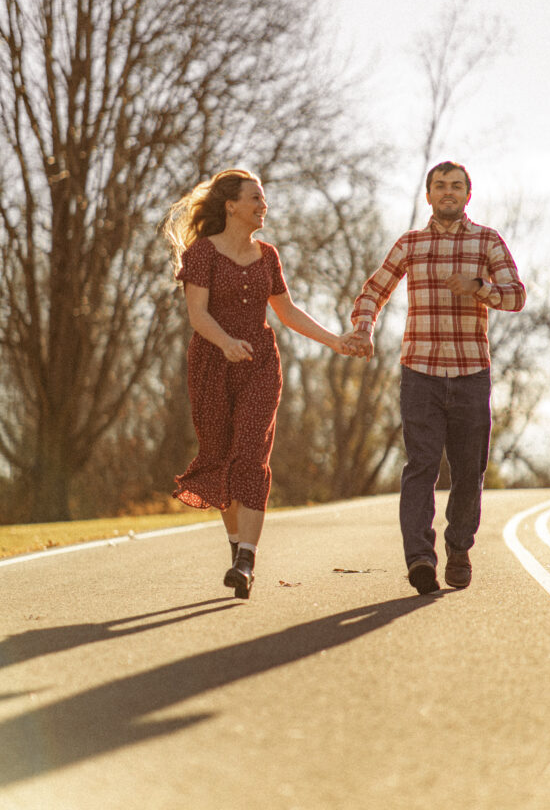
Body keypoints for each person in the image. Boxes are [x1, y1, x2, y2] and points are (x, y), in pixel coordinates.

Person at [163, 168, 352, 599]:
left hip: (260, 366)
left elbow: (287, 312)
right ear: (231, 205)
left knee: (251, 451)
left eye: (263, 199)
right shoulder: (202, 254)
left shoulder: (268, 256)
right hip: (212, 365)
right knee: (219, 457)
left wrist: (335, 341)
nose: (263, 206)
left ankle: (247, 558)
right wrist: (226, 342)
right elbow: (198, 315)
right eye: (256, 198)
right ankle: (237, 550)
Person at [344, 160, 525, 594]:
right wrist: (364, 327)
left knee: (468, 471)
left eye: (456, 186)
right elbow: (374, 290)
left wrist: (478, 286)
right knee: (421, 465)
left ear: (468, 194)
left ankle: (459, 547)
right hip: (420, 371)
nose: (448, 192)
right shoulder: (411, 243)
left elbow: (516, 296)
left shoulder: (487, 241)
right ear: (428, 196)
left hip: (470, 373)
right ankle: (420, 558)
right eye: (440, 186)